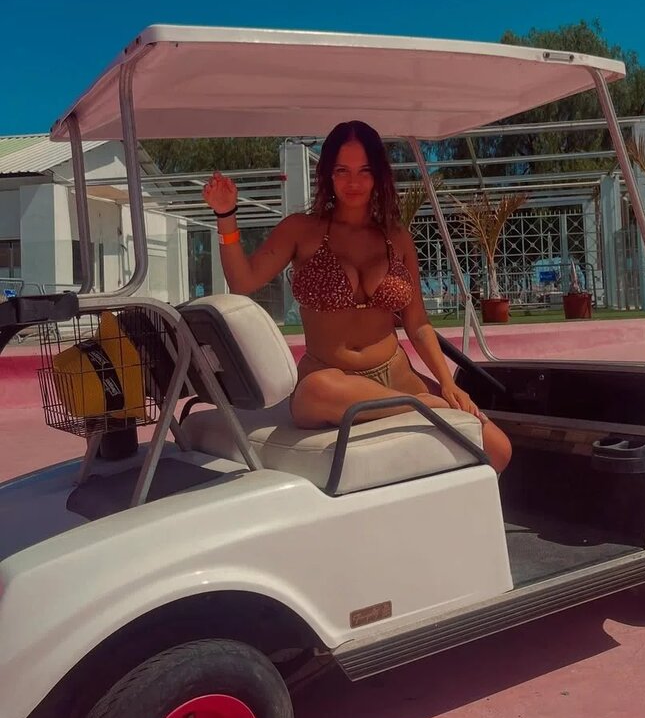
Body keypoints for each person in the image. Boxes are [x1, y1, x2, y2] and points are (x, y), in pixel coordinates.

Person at [202, 120, 512, 473]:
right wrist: (225, 215)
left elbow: (418, 324)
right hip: (331, 381)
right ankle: (418, 405)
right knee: (313, 391)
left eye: (364, 171)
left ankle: (418, 410)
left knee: (498, 448)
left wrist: (447, 383)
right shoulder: (301, 230)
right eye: (343, 171)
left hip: (397, 374)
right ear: (328, 174)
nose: (354, 182)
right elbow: (243, 281)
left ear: (378, 174)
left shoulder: (397, 237)